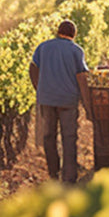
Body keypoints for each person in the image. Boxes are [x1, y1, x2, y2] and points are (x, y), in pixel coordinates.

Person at [30, 20, 91, 183]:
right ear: (73, 35)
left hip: (47, 99)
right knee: (69, 138)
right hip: (67, 101)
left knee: (49, 136)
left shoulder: (43, 47)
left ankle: (53, 174)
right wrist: (87, 104)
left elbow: (33, 68)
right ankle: (69, 177)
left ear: (58, 32)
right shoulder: (76, 50)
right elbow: (82, 77)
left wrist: (39, 89)